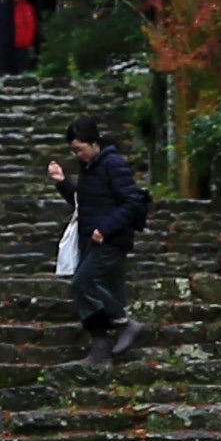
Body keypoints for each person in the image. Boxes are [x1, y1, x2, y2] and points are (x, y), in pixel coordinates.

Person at [57, 116, 149, 363]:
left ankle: (124, 323)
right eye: (73, 150)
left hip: (110, 239)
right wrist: (63, 183)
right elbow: (84, 202)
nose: (78, 155)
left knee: (83, 283)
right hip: (90, 238)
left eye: (80, 149)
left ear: (94, 143)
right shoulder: (89, 168)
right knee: (98, 289)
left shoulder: (113, 164)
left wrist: (106, 229)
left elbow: (133, 201)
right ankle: (100, 351)